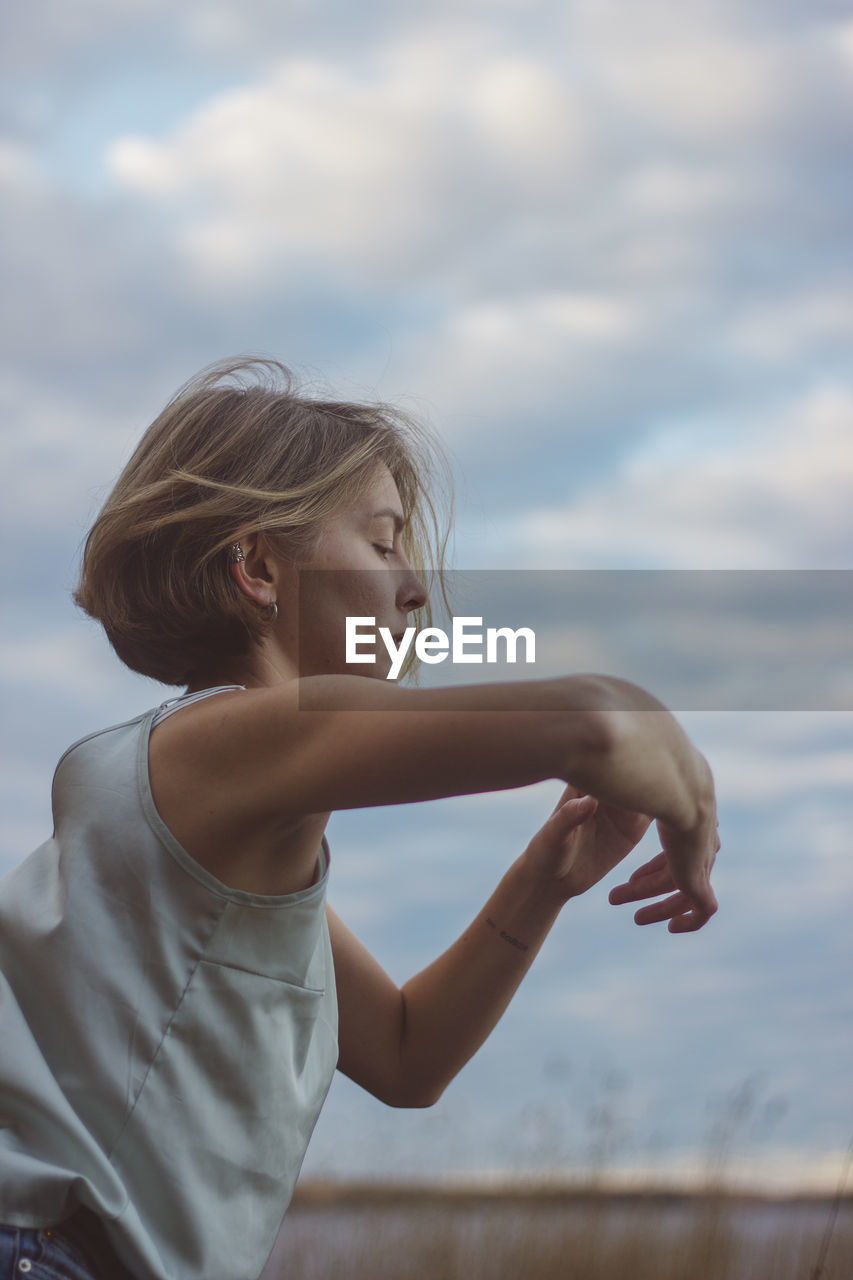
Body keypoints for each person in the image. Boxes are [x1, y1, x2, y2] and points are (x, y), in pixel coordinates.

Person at [0, 357, 719, 1280]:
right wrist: (692, 814)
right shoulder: (210, 748)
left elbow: (408, 1059)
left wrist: (544, 881)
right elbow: (593, 721)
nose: (414, 590)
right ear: (260, 568)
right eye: (383, 546)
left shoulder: (215, 849)